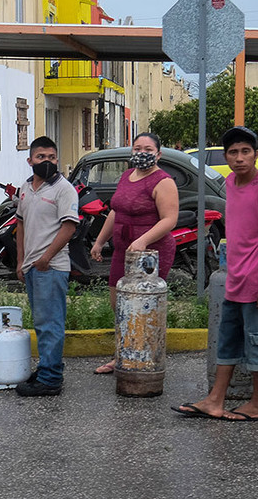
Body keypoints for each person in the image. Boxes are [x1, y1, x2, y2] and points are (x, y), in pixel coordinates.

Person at [172, 126, 258, 421]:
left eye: (245, 151)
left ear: (256, 155)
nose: (239, 158)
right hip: (235, 279)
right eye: (233, 152)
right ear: (226, 157)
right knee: (228, 342)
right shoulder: (231, 183)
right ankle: (215, 400)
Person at [89, 132, 178, 374]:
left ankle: (146, 357)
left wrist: (143, 240)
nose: (142, 153)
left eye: (148, 150)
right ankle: (121, 356)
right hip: (123, 250)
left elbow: (170, 220)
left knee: (145, 306)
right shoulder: (127, 176)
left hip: (151, 254)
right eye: (137, 148)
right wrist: (99, 241)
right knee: (119, 304)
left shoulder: (163, 182)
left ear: (158, 154)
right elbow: (116, 211)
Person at [14, 136, 78, 397]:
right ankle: (46, 368)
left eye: (52, 157)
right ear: (30, 160)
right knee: (41, 322)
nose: (47, 162)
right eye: (41, 157)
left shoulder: (64, 189)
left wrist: (45, 258)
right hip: (32, 267)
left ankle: (51, 379)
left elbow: (69, 227)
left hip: (51, 267)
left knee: (50, 323)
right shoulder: (26, 187)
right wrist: (21, 261)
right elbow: (20, 224)